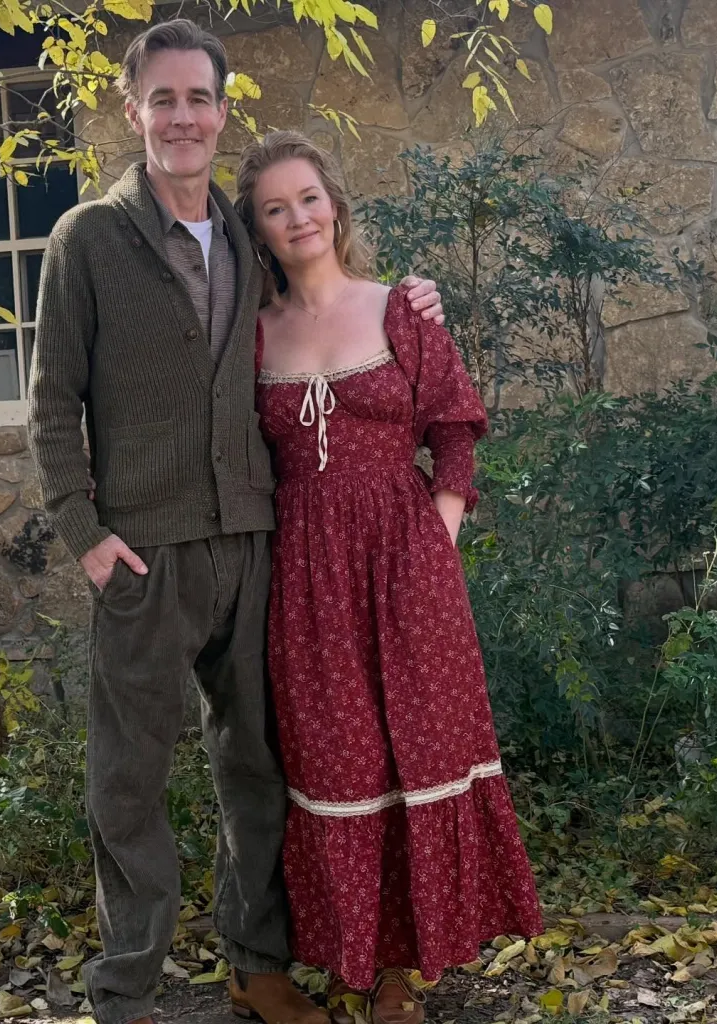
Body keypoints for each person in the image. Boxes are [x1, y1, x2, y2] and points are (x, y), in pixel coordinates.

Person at [27, 20, 444, 1024]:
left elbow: (326, 291)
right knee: (126, 782)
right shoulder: (85, 238)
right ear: (134, 112)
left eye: (199, 98)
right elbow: (50, 403)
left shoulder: (251, 235)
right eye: (161, 98)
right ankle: (126, 990)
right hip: (145, 550)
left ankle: (258, 970)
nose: (182, 116)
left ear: (222, 111)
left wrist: (410, 301)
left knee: (258, 765)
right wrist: (86, 533)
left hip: (258, 543)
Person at [234, 131, 543, 1024]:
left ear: (335, 203)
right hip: (306, 573)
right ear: (259, 230)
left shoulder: (402, 309)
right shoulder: (252, 335)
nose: (298, 218)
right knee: (336, 764)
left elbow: (454, 429)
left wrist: (436, 540)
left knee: (420, 756)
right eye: (274, 208)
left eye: (308, 198)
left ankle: (401, 975)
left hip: (408, 563)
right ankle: (349, 968)